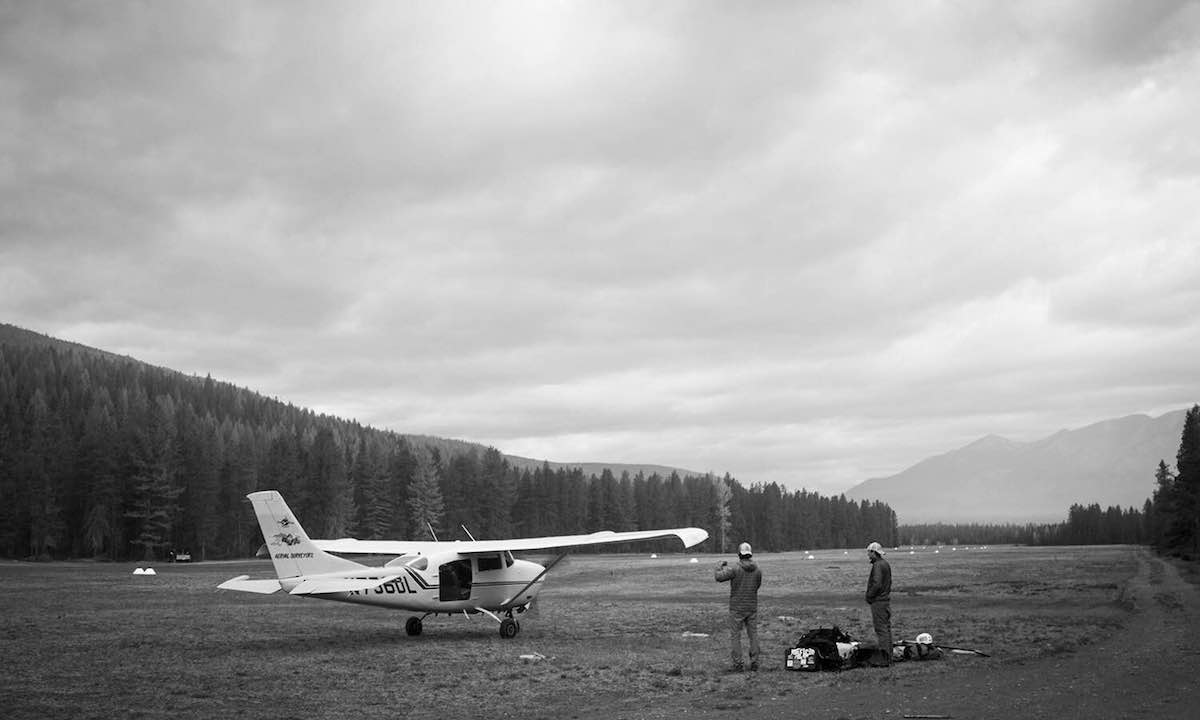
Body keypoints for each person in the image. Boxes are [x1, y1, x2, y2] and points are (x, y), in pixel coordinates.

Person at [715, 541, 763, 672]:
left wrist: (719, 567)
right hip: (751, 607)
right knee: (753, 635)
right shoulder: (758, 570)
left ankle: (738, 664)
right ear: (750, 554)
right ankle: (755, 662)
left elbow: (718, 577)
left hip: (736, 608)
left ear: (739, 555)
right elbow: (757, 586)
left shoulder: (735, 569)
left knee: (736, 636)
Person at [864, 540, 892, 666]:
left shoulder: (877, 566)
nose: (868, 555)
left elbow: (877, 584)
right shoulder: (885, 564)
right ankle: (888, 655)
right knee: (886, 628)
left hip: (878, 602)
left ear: (874, 552)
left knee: (881, 629)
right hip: (885, 601)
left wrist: (869, 596)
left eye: (869, 552)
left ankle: (884, 658)